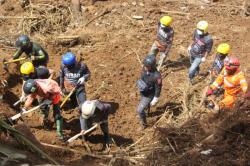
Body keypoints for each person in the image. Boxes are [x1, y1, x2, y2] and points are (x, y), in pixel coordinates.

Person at [136, 55, 162, 129]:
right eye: (145, 65)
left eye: (148, 66)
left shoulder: (157, 76)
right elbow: (142, 78)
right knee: (145, 106)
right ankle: (146, 112)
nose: (145, 67)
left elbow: (158, 88)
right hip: (144, 91)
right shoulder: (145, 69)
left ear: (153, 66)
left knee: (139, 110)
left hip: (149, 95)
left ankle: (144, 124)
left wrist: (156, 98)